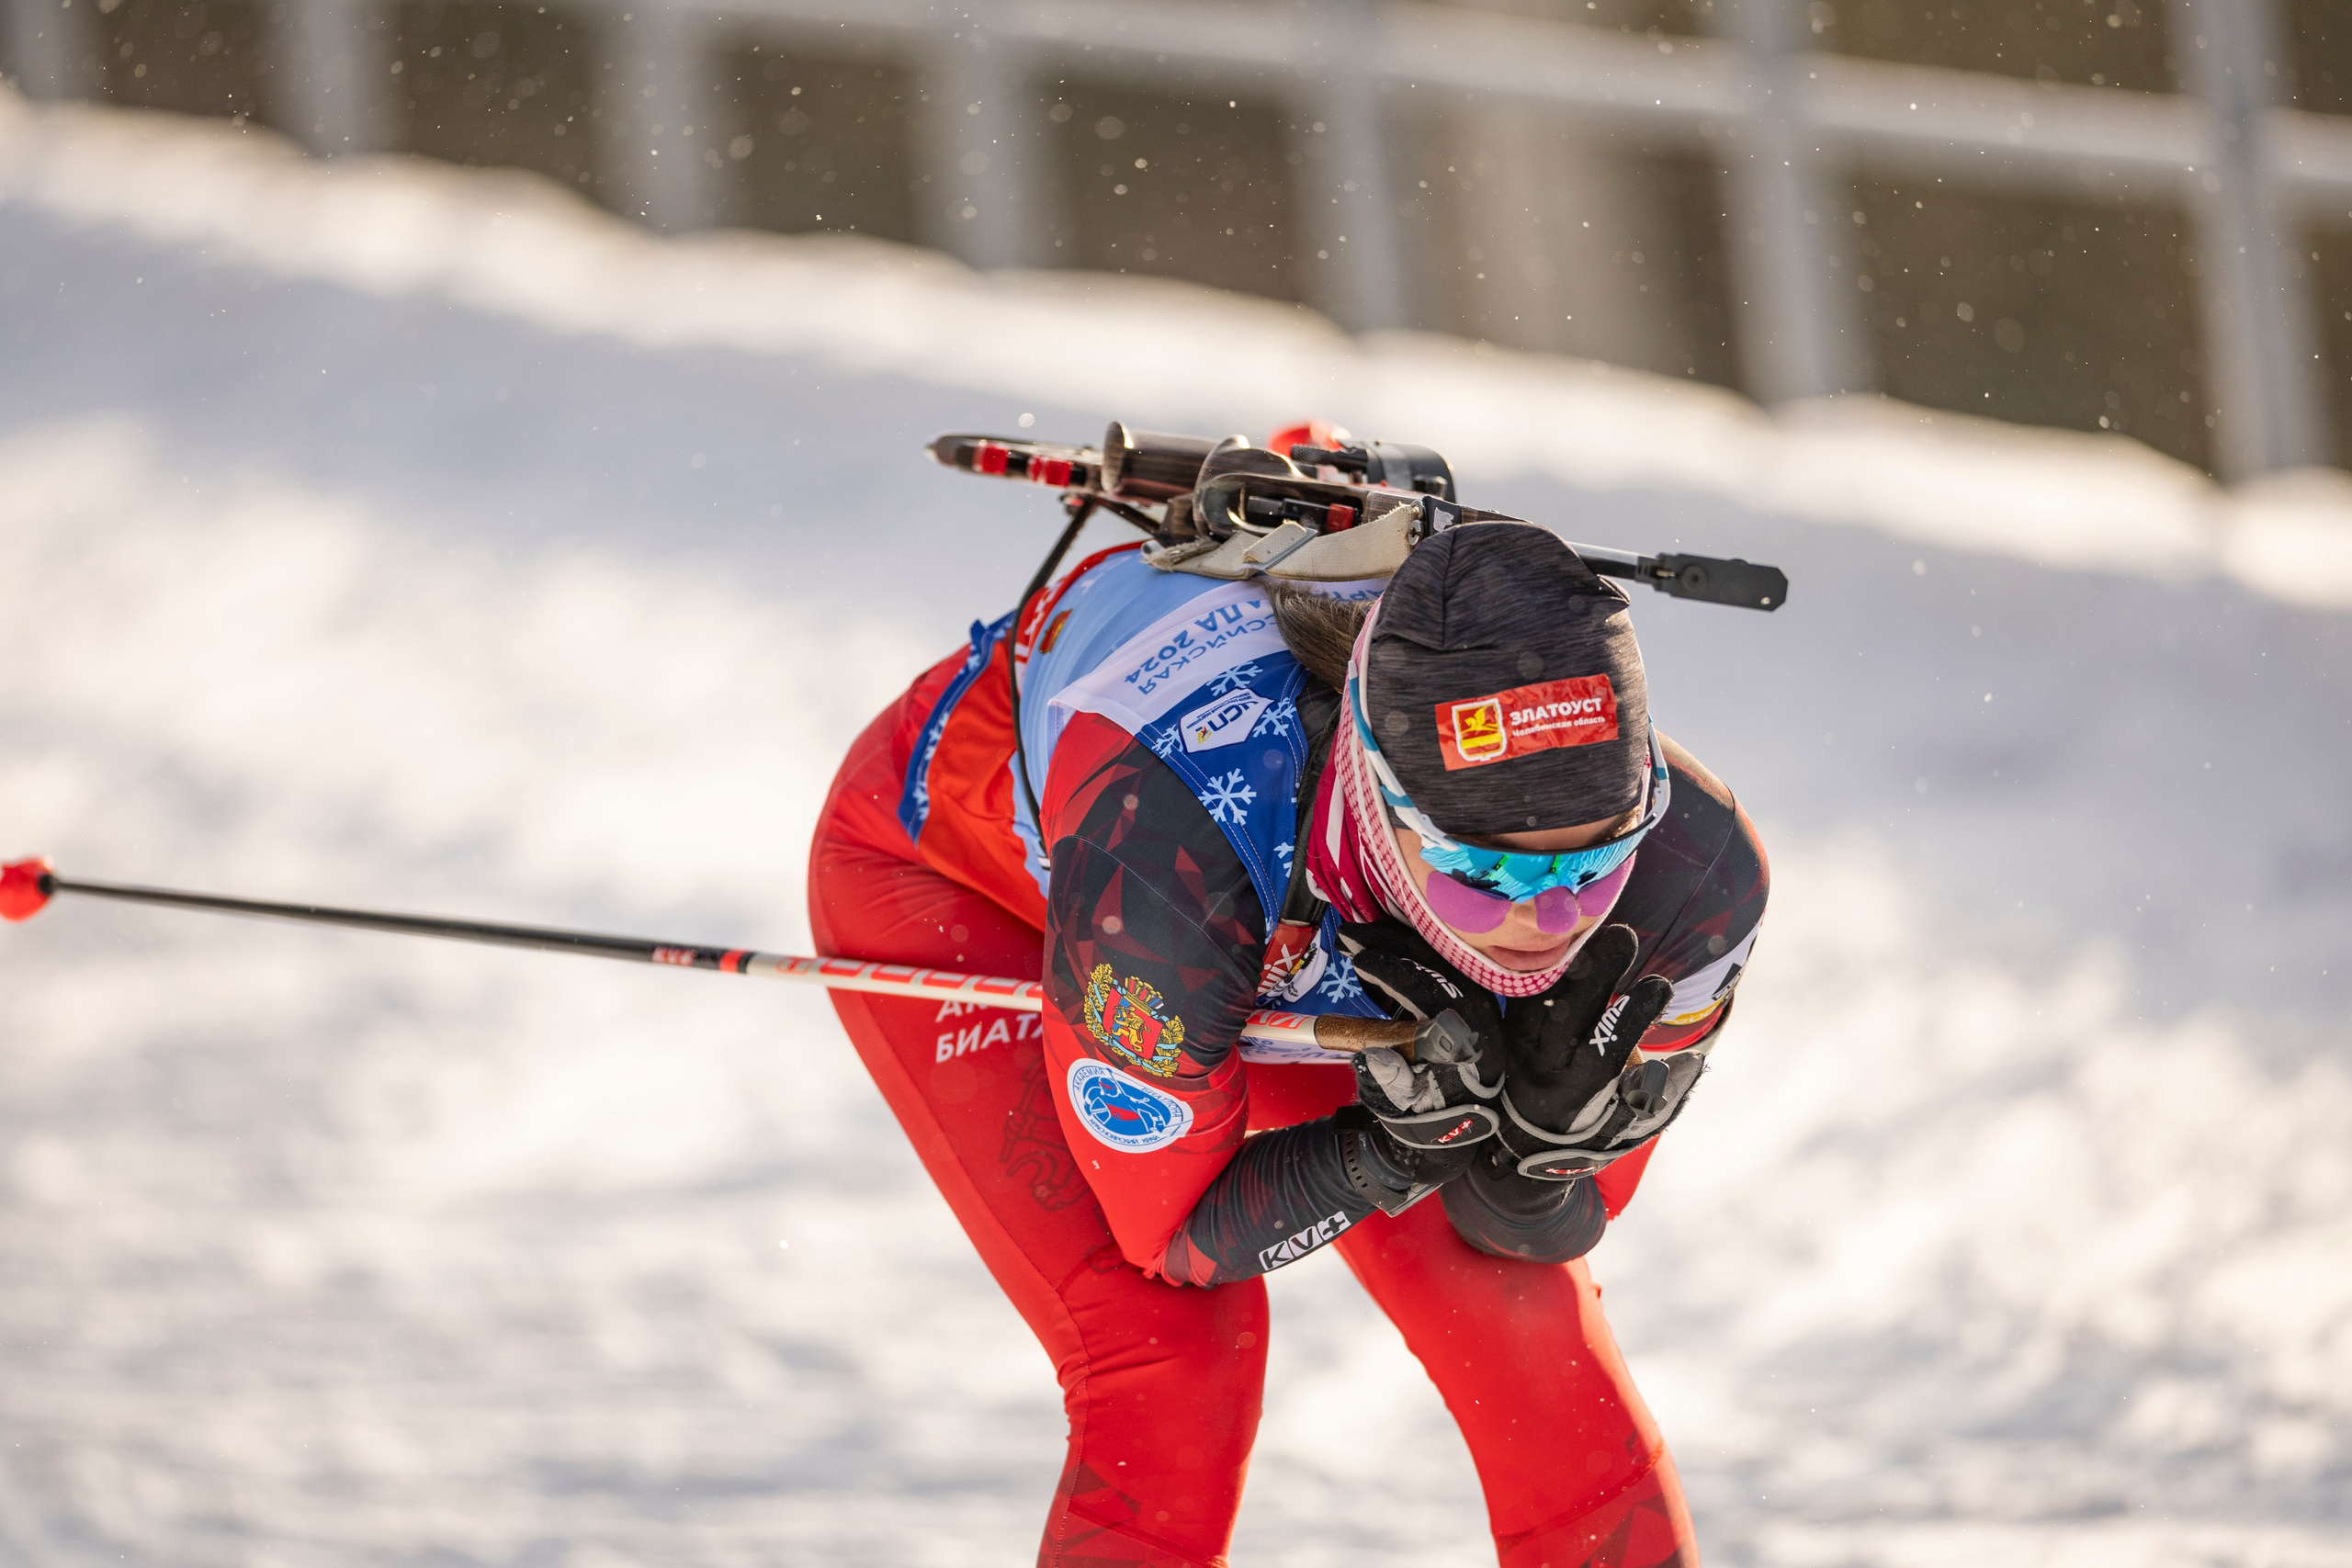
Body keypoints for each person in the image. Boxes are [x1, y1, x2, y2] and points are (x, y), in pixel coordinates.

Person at [808, 446, 1767, 1568]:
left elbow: (1541, 1228)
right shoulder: (1166, 873)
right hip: (980, 887)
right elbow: (1174, 1241)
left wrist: (1536, 1159)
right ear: (1378, 788)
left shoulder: (1691, 880)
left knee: (1533, 1355)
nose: (1542, 925)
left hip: (1321, 945)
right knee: (1173, 1366)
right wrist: (1388, 1154)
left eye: (1588, 868)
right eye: (1483, 872)